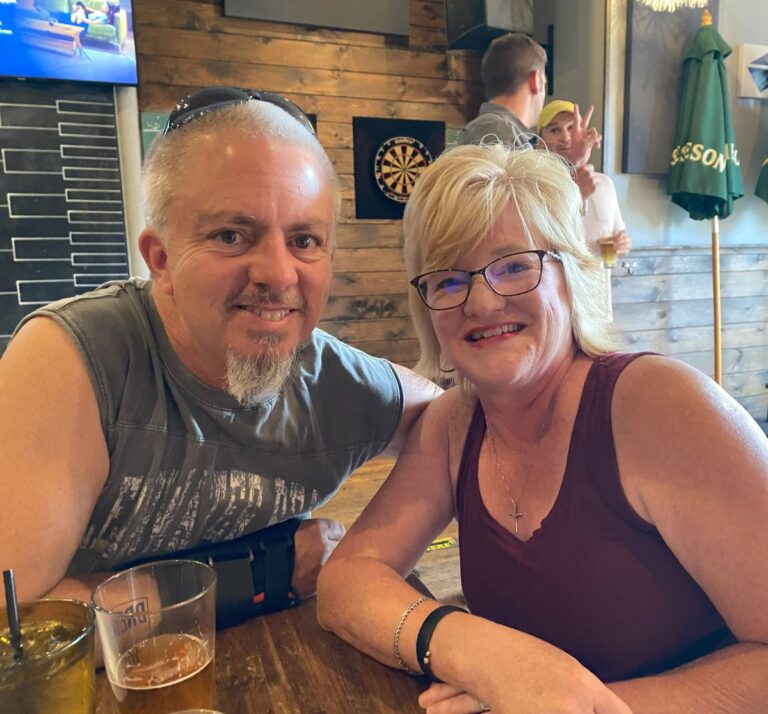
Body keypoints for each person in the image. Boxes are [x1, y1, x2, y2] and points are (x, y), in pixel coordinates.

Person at [317, 144, 768, 713]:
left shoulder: (658, 404)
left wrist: (569, 701)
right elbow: (345, 581)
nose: (481, 300)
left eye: (514, 265)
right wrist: (474, 650)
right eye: (449, 280)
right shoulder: (455, 424)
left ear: (571, 274)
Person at [0, 87, 440, 623]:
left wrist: (366, 555)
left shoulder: (338, 383)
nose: (279, 275)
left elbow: (450, 424)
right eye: (232, 235)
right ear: (160, 260)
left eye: (304, 240)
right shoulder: (73, 359)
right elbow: (14, 624)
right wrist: (264, 575)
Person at [458, 32, 600, 202]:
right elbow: (515, 221)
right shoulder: (495, 131)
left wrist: (573, 162)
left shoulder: (502, 132)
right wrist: (575, 183)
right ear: (537, 81)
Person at [538, 99, 631, 318]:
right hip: (555, 308)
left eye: (572, 128)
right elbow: (541, 245)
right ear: (540, 141)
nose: (566, 137)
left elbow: (612, 243)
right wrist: (576, 194)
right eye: (554, 129)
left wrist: (619, 245)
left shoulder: (605, 184)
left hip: (598, 303)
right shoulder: (536, 185)